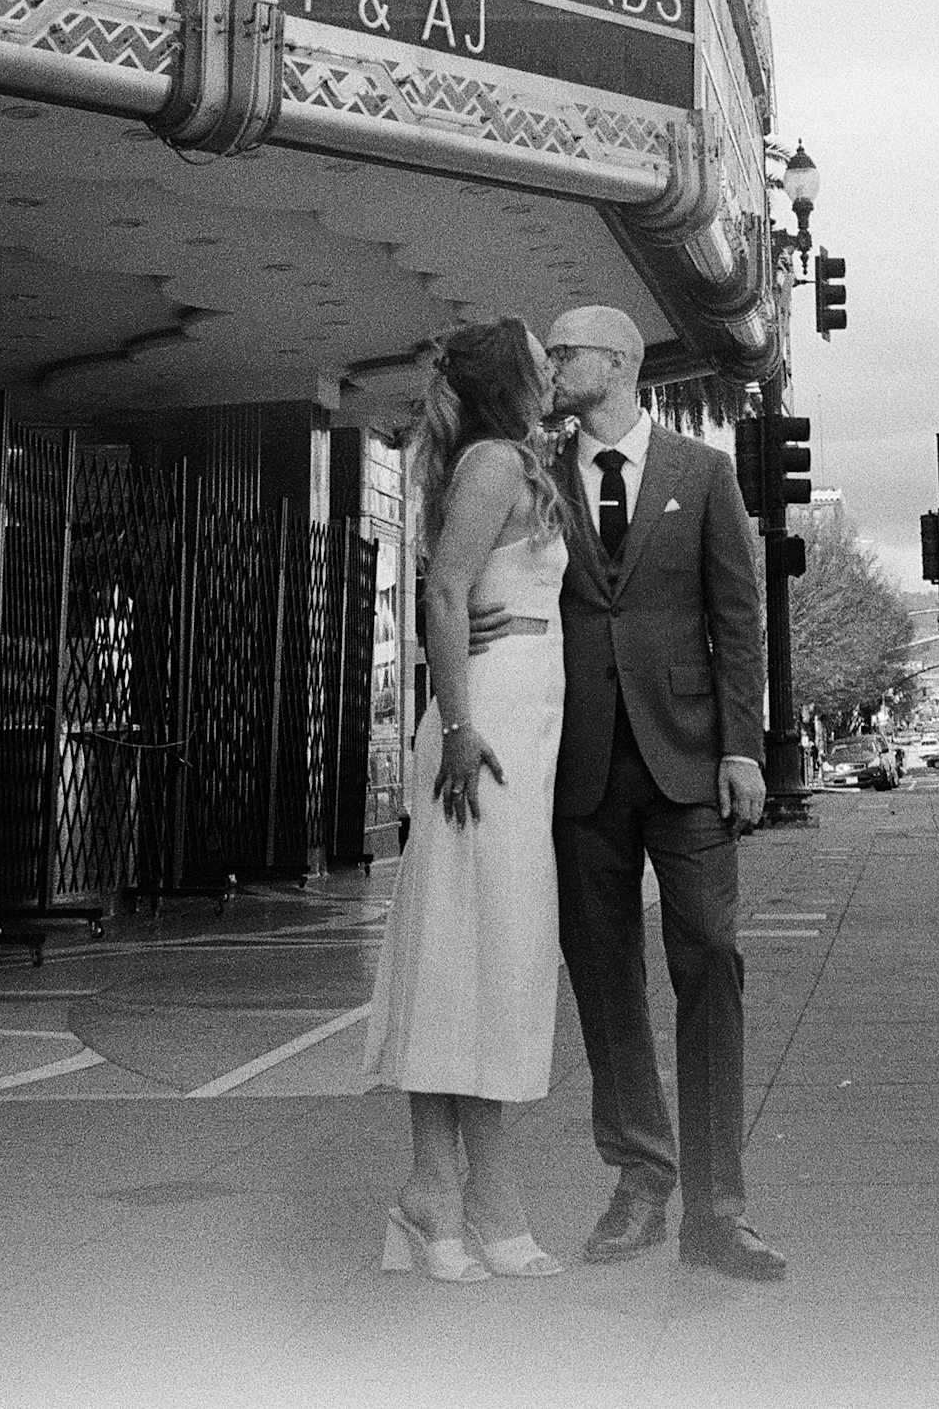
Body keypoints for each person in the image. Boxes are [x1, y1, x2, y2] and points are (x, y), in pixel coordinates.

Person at [542, 303, 786, 1283]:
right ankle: (640, 1178)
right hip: (579, 764)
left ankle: (719, 1211)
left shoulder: (703, 471)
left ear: (616, 362)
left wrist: (744, 749)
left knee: (711, 958)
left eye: (564, 353)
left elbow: (738, 616)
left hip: (689, 762)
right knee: (604, 975)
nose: (551, 366)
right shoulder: (540, 475)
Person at [361, 318, 568, 1283]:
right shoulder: (493, 462)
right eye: (542, 359)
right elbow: (444, 593)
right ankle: (450, 1194)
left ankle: (454, 1193)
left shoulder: (513, 462)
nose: (552, 371)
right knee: (466, 950)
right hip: (484, 732)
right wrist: (457, 724)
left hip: (515, 721)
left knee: (491, 950)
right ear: (510, 379)